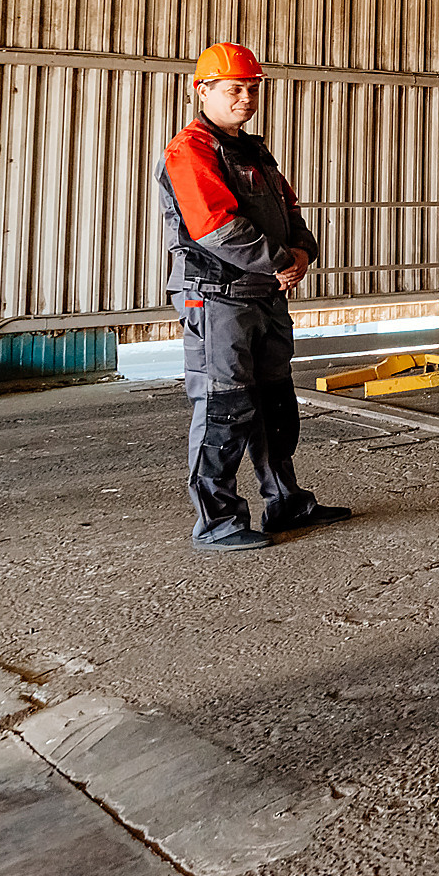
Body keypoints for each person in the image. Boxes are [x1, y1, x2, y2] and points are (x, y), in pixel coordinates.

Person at [156, 43, 349, 552]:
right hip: (218, 299)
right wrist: (281, 261)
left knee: (275, 403)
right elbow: (216, 228)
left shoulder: (253, 152)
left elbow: (290, 211)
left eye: (252, 89)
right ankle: (217, 521)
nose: (246, 98)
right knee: (224, 406)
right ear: (203, 91)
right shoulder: (191, 150)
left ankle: (285, 501)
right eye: (234, 89)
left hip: (264, 294)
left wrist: (302, 252)